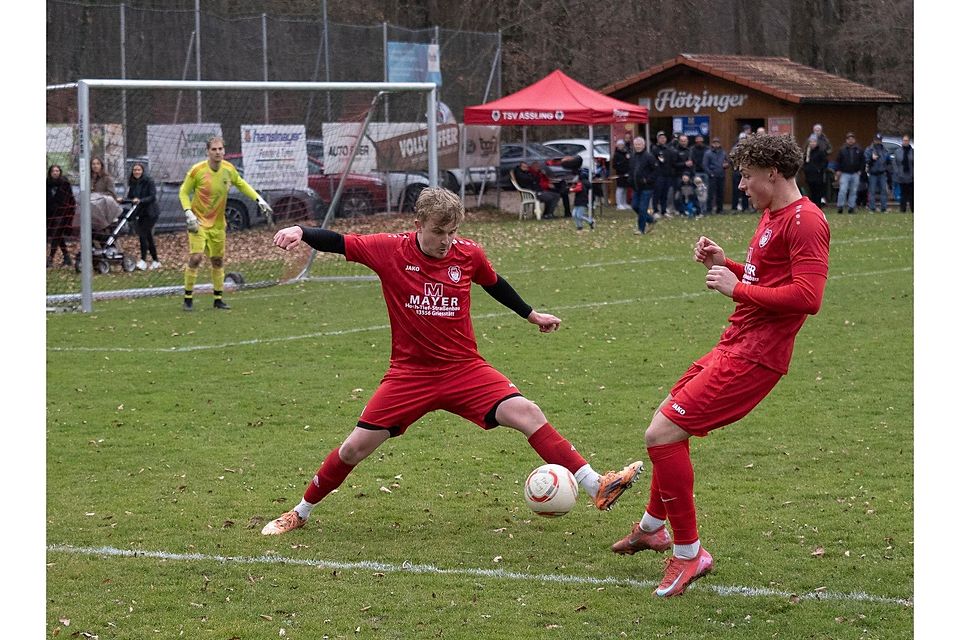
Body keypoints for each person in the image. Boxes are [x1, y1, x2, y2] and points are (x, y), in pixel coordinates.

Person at [261, 187, 643, 536]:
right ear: (418, 224)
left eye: (452, 232)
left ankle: (596, 484)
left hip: (464, 369)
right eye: (438, 232)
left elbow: (494, 283)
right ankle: (300, 511)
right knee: (352, 449)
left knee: (528, 412)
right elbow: (339, 241)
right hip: (409, 376)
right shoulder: (389, 250)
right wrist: (301, 230)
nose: (446, 241)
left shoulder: (468, 253)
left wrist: (531, 315)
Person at [610, 134, 830, 598]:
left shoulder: (806, 220)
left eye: (747, 177)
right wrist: (725, 264)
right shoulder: (772, 214)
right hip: (735, 343)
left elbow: (808, 297)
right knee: (666, 423)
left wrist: (736, 289)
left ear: (773, 172)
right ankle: (652, 528)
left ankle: (689, 553)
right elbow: (766, 278)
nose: (742, 185)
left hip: (756, 357)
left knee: (662, 434)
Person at [178, 136, 273, 310]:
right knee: (196, 258)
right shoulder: (197, 170)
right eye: (214, 149)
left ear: (224, 151)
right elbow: (183, 192)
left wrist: (258, 199)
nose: (217, 152)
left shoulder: (228, 169)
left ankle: (218, 299)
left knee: (217, 261)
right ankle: (188, 298)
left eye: (220, 149)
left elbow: (241, 184)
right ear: (208, 152)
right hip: (197, 222)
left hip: (218, 224)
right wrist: (188, 212)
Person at [125, 162, 161, 270]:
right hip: (140, 213)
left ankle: (143, 260)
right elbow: (131, 197)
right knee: (148, 236)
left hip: (150, 212)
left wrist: (140, 200)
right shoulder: (133, 183)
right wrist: (123, 200)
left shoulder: (149, 181)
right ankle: (156, 260)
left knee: (143, 235)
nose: (136, 172)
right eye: (135, 170)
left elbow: (152, 196)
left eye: (138, 170)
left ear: (142, 171)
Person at [46, 164, 75, 267]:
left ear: (60, 172)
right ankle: (67, 257)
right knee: (57, 235)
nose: (55, 173)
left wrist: (70, 212)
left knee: (56, 233)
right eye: (53, 171)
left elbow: (70, 198)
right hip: (49, 213)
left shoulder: (65, 184)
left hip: (62, 213)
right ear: (50, 173)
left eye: (57, 171)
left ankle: (50, 258)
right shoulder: (47, 184)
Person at [629, 137, 657, 235]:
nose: (637, 146)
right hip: (636, 187)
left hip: (647, 187)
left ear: (644, 145)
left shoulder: (649, 157)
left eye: (639, 144)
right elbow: (631, 170)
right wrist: (630, 180)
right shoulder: (633, 157)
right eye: (636, 144)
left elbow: (655, 171)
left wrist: (647, 180)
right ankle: (650, 219)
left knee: (642, 208)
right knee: (634, 206)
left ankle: (641, 229)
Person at [834, 132, 863, 214]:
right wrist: (838, 170)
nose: (850, 140)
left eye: (852, 139)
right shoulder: (842, 150)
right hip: (845, 173)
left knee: (853, 191)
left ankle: (851, 207)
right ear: (846, 140)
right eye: (849, 139)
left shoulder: (859, 149)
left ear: (854, 140)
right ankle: (840, 206)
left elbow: (862, 161)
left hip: (855, 173)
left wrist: (860, 170)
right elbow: (838, 161)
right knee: (843, 190)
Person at [651, 131, 676, 218]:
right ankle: (655, 210)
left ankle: (664, 210)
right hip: (658, 175)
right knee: (657, 193)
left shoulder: (668, 149)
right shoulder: (655, 149)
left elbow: (672, 161)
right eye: (661, 138)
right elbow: (653, 162)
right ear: (658, 139)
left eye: (664, 138)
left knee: (665, 194)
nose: (663, 139)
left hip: (667, 175)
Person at [864, 133, 892, 212]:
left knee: (884, 191)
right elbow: (866, 160)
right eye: (877, 140)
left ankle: (884, 208)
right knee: (872, 191)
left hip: (882, 173)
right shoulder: (869, 149)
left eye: (879, 140)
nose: (878, 142)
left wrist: (887, 168)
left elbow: (889, 161)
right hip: (873, 173)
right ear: (874, 140)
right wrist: (872, 158)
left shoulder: (885, 150)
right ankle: (872, 208)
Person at [802, 134, 829, 208]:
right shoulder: (807, 152)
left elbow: (825, 162)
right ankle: (812, 207)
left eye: (814, 141)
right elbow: (804, 162)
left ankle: (818, 206)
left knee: (818, 193)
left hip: (818, 176)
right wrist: (806, 169)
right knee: (811, 192)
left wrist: (819, 169)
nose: (812, 143)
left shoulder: (820, 151)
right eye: (811, 142)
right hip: (809, 176)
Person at [702, 138, 728, 214]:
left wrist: (726, 165)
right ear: (712, 144)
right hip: (712, 176)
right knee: (711, 194)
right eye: (714, 143)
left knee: (720, 193)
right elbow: (705, 165)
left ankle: (720, 209)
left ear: (720, 144)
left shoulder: (723, 153)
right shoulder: (708, 153)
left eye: (717, 143)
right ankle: (709, 210)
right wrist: (710, 173)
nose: (716, 145)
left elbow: (727, 162)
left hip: (721, 175)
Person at [892, 135, 914, 213]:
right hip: (901, 176)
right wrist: (897, 172)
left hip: (911, 176)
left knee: (912, 194)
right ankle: (903, 210)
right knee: (903, 194)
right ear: (902, 141)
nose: (905, 142)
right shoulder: (898, 151)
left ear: (909, 141)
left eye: (907, 140)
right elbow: (894, 163)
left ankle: (913, 209)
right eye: (904, 140)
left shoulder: (913, 151)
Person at [571, 167, 596, 231]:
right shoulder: (580, 183)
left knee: (579, 215)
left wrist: (572, 189)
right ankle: (579, 226)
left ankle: (590, 221)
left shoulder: (583, 183)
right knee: (574, 215)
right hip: (577, 201)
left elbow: (578, 189)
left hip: (583, 201)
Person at [613, 140, 631, 210]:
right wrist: (621, 168)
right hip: (620, 174)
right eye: (619, 145)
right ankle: (619, 204)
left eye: (622, 145)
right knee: (620, 188)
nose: (621, 146)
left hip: (627, 173)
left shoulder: (626, 153)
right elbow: (614, 165)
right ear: (617, 146)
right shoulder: (616, 154)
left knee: (625, 189)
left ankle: (624, 203)